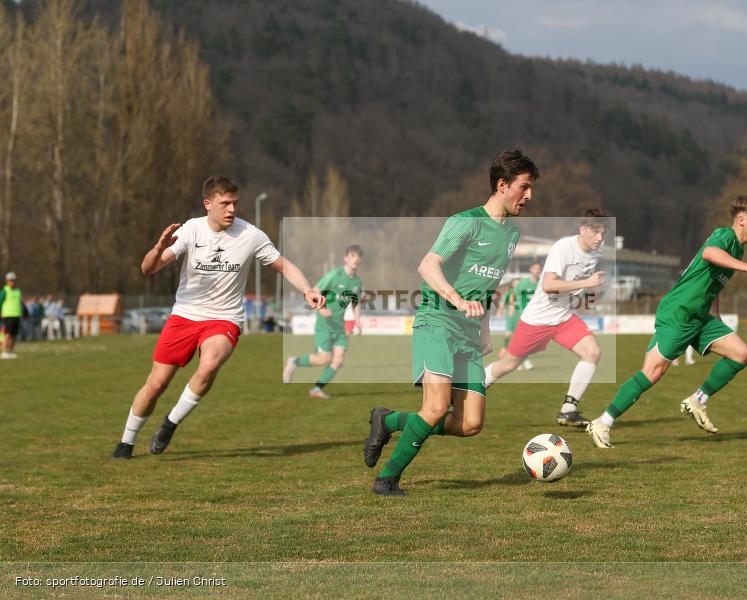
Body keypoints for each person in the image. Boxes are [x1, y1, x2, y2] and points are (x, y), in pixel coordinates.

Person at [363, 149, 539, 496]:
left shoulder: (512, 235)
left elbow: (487, 286)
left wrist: (485, 328)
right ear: (502, 185)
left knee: (471, 423)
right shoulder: (466, 222)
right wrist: (457, 300)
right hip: (438, 322)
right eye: (524, 187)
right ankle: (387, 479)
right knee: (436, 406)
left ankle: (390, 420)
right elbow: (428, 265)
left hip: (469, 333)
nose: (530, 196)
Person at [111, 176, 324, 459]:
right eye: (225, 204)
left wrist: (307, 289)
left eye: (235, 203)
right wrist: (160, 246)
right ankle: (126, 442)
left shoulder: (251, 235)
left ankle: (170, 423)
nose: (232, 209)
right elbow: (148, 268)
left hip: (225, 319)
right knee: (156, 385)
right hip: (184, 316)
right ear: (208, 204)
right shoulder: (191, 230)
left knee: (209, 364)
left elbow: (283, 265)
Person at [586, 195, 747, 448]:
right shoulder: (725, 236)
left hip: (700, 316)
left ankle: (698, 399)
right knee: (652, 373)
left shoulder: (737, 249)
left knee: (741, 354)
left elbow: (713, 283)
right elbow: (710, 253)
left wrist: (716, 314)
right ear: (741, 219)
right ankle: (602, 422)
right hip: (679, 312)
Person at [482, 210, 608, 428]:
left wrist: (589, 290)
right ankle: (467, 390)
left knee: (592, 351)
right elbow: (549, 285)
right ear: (583, 230)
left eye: (603, 233)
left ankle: (568, 410)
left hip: (564, 318)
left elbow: (576, 284)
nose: (600, 238)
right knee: (508, 364)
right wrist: (586, 283)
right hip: (538, 319)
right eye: (596, 232)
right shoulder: (564, 248)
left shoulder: (598, 251)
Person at [282, 245, 364, 397]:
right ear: (346, 258)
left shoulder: (357, 282)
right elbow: (316, 290)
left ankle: (316, 389)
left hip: (339, 326)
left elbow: (356, 302)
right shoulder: (334, 275)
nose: (356, 259)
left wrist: (358, 321)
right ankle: (294, 362)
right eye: (353, 256)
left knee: (338, 360)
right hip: (325, 324)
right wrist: (322, 308)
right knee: (323, 359)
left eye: (359, 257)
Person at [0, 272, 27, 358]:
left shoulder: (18, 291)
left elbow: (21, 303)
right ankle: (4, 352)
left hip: (17, 315)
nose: (12, 282)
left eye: (13, 280)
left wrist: (25, 312)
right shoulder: (4, 291)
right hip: (8, 315)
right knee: (7, 334)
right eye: (10, 280)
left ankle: (10, 352)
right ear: (7, 281)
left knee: (14, 335)